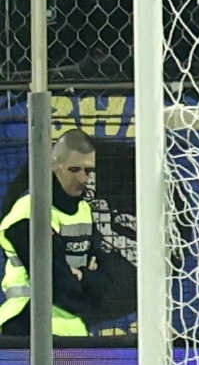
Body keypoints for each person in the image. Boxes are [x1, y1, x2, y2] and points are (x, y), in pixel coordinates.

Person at [0, 130, 115, 338]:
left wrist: (79, 276)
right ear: (54, 165)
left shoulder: (84, 211)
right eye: (74, 169)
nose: (82, 178)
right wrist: (85, 277)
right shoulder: (29, 212)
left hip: (75, 332)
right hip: (25, 328)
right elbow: (55, 284)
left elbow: (106, 288)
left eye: (89, 171)